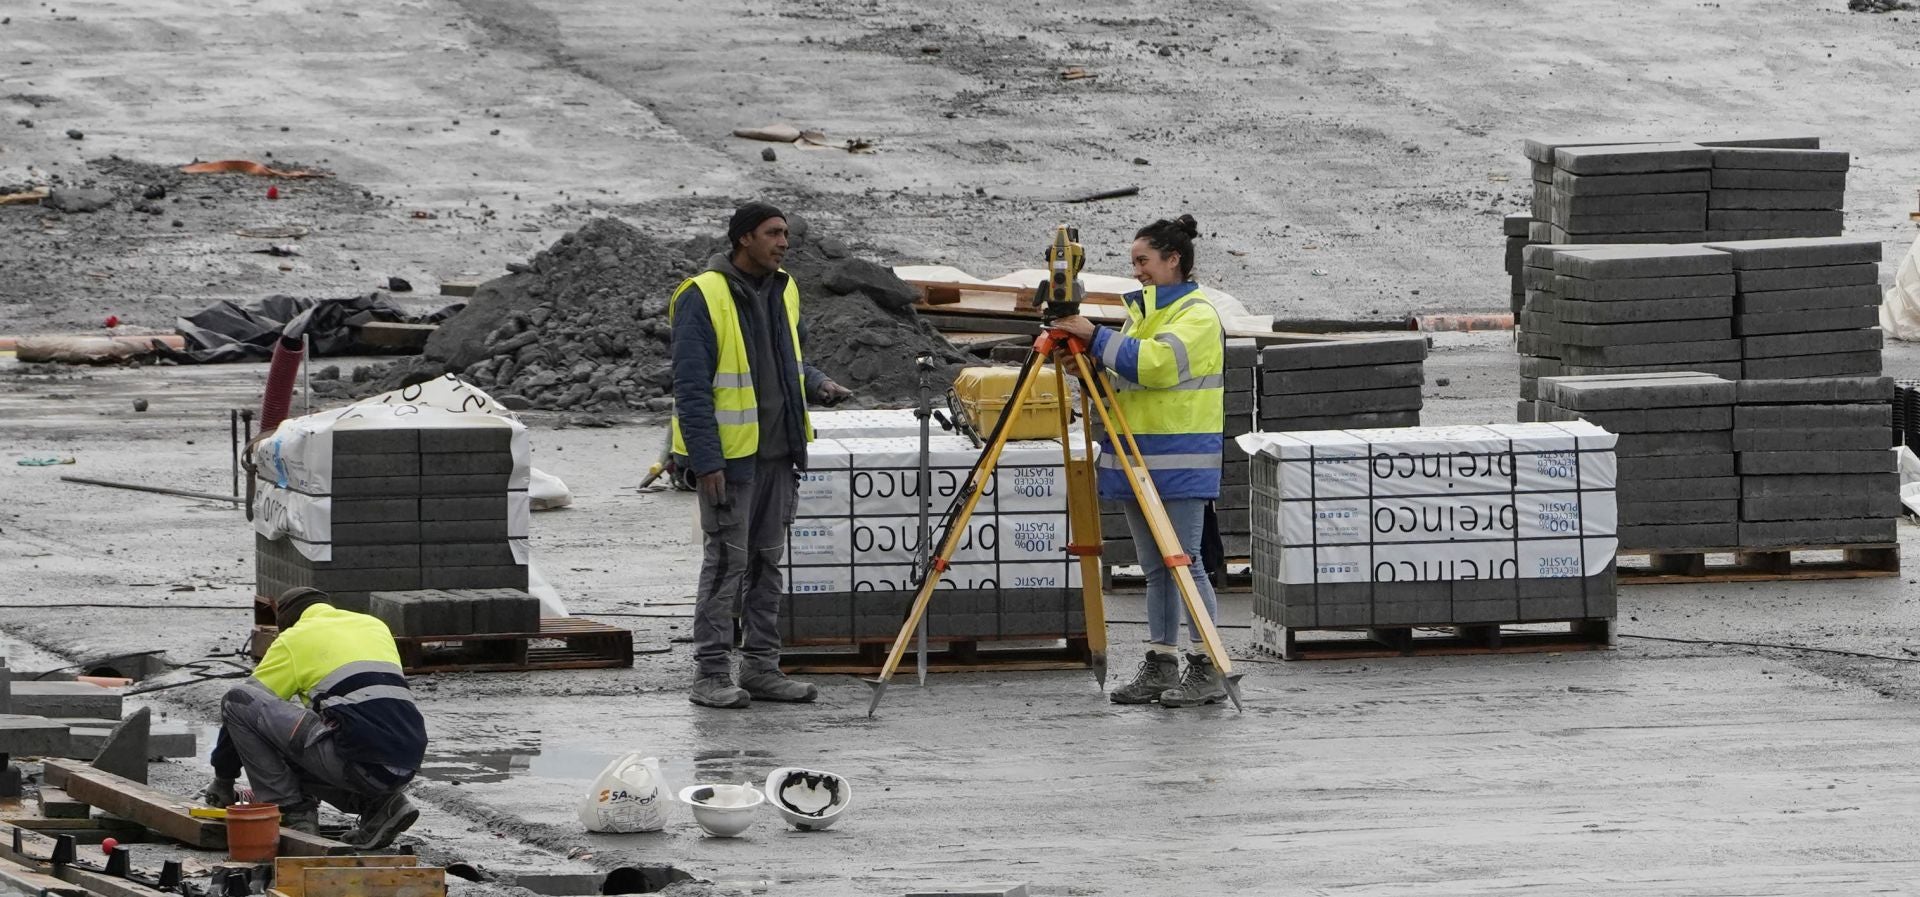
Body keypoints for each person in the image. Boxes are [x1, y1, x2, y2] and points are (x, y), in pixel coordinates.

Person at [671, 202, 853, 709]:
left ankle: (760, 669)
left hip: (779, 455)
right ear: (744, 238)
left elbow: (792, 359)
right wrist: (706, 461)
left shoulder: (785, 288)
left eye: (786, 234)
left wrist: (818, 384)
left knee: (767, 566)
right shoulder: (700, 295)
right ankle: (710, 675)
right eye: (774, 233)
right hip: (730, 462)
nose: (784, 242)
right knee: (726, 566)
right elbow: (690, 387)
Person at [1052, 215, 1228, 708]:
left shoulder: (1196, 314)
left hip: (1178, 461)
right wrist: (1086, 362)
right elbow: (1127, 378)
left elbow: (1154, 366)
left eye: (1143, 261)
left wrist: (1093, 336)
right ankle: (1161, 662)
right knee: (1156, 570)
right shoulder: (1143, 315)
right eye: (1134, 263)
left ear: (1174, 260)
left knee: (1185, 565)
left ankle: (1208, 665)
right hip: (1137, 459)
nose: (1138, 271)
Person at [205, 588, 425, 848]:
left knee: (238, 699)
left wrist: (224, 777)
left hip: (358, 759)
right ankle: (382, 806)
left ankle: (292, 811)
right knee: (322, 724)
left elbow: (243, 705)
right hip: (406, 759)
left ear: (286, 623)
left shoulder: (295, 638)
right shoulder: (374, 625)